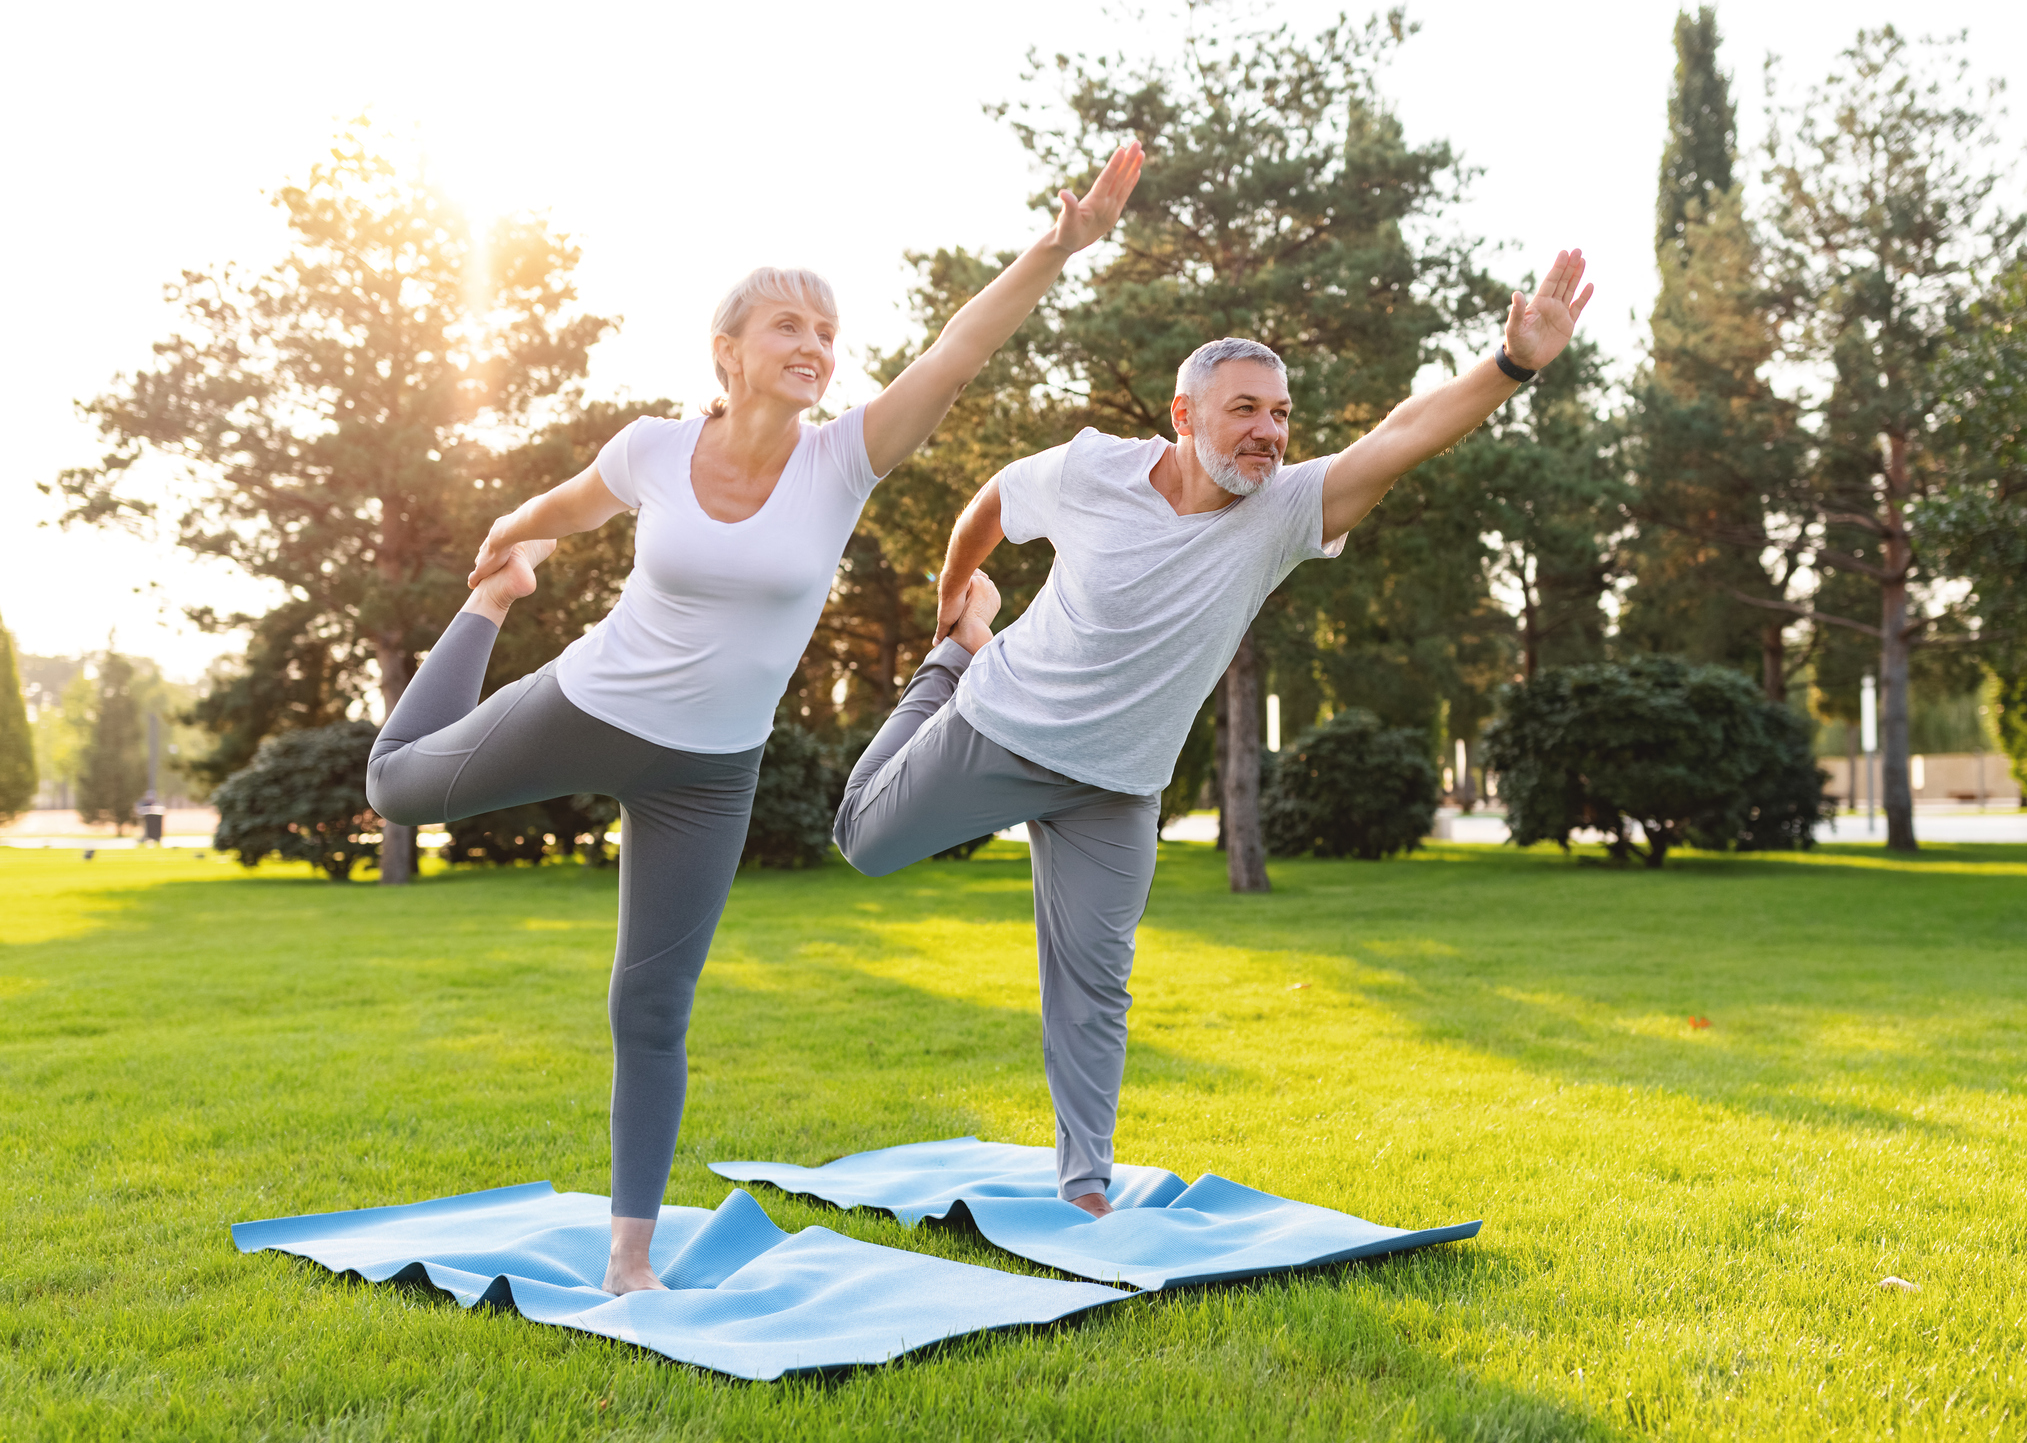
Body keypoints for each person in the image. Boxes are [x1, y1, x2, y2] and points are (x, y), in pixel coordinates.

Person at [366, 142, 1145, 1294]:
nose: (815, 348)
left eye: (827, 333)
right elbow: (574, 503)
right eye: (789, 326)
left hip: (708, 773)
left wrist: (1055, 248)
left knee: (650, 1002)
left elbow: (958, 349)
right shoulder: (653, 450)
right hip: (588, 702)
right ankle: (486, 615)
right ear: (726, 353)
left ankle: (631, 1258)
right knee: (394, 788)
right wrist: (506, 549)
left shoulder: (845, 461)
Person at [834, 251, 1594, 1216]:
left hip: (1117, 784)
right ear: (1184, 416)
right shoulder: (1090, 470)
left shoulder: (1283, 512)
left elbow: (1402, 435)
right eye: (1244, 410)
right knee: (862, 841)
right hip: (1002, 724)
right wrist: (953, 606)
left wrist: (1511, 367)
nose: (1268, 434)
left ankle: (1083, 1189)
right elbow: (990, 500)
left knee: (1093, 989)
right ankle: (950, 664)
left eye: (1280, 414)